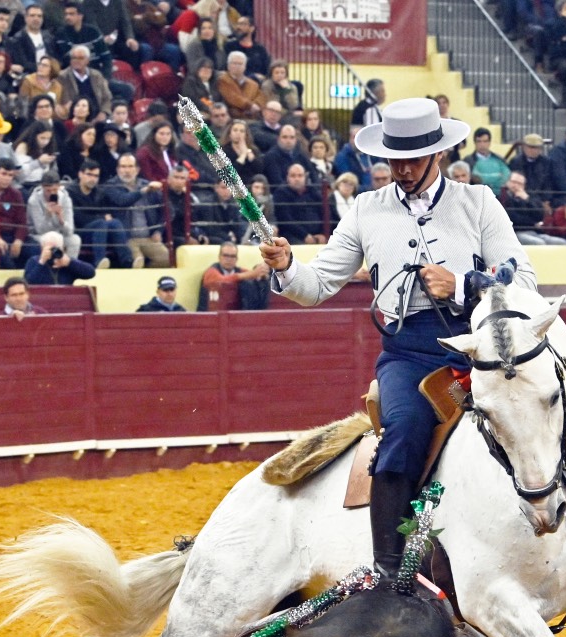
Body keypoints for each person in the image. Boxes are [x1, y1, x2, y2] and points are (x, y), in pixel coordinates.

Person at [258, 97, 537, 583]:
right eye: (393, 160)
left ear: (439, 155)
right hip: (409, 352)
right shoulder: (367, 209)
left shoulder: (478, 202)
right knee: (405, 428)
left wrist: (465, 282)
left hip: (479, 345)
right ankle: (389, 576)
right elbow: (317, 285)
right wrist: (285, 268)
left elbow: (526, 282)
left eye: (411, 160)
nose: (401, 171)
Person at [104, 151, 167, 267]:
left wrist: (159, 230)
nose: (127, 170)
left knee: (166, 258)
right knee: (137, 261)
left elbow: (168, 210)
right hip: (126, 238)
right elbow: (123, 201)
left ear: (137, 169)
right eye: (123, 167)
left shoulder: (147, 185)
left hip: (148, 237)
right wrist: (143, 191)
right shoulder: (110, 186)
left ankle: (148, 281)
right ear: (117, 169)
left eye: (130, 166)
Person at [68, 157, 131, 267]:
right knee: (101, 223)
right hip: (79, 232)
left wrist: (101, 217)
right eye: (89, 174)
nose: (93, 179)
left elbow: (107, 213)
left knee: (115, 223)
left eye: (96, 176)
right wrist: (100, 218)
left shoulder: (99, 193)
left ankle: (127, 261)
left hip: (100, 231)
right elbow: (77, 217)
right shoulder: (71, 192)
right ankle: (100, 261)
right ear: (80, 174)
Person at [497, 170, 566, 243]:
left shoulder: (529, 196)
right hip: (514, 233)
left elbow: (540, 215)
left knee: (561, 242)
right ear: (507, 182)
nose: (516, 185)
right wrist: (532, 222)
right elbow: (512, 217)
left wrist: (527, 199)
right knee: (539, 243)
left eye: (520, 184)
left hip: (533, 231)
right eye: (514, 182)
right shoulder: (502, 197)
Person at [199, 240, 270, 310]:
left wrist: (260, 274)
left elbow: (251, 275)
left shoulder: (240, 271)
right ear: (219, 257)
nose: (229, 259)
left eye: (232, 256)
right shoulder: (211, 271)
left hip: (235, 315)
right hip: (207, 316)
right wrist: (251, 274)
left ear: (236, 259)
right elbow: (222, 281)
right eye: (225, 255)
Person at [272, 162, 330, 244]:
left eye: (300, 175)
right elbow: (285, 219)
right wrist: (305, 236)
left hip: (317, 235)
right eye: (293, 176)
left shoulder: (313, 191)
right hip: (293, 235)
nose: (297, 179)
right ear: (287, 177)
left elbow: (325, 213)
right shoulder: (281, 193)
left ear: (305, 177)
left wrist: (322, 234)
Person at [27, 169, 80, 258]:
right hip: (38, 236)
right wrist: (47, 216)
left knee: (75, 240)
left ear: (59, 186)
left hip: (60, 233)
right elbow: (40, 230)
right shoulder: (34, 200)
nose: (51, 193)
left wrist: (61, 220)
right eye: (48, 190)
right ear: (42, 187)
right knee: (53, 239)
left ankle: (69, 267)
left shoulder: (66, 199)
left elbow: (70, 231)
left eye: (55, 190)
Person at [24, 228, 96, 282]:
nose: (53, 252)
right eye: (50, 248)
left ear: (62, 248)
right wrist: (41, 262)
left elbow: (91, 273)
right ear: (42, 248)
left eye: (57, 248)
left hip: (66, 299)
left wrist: (70, 263)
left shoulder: (66, 262)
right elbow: (28, 282)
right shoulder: (34, 261)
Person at [216, 50, 264, 120]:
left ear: (245, 66)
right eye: (234, 63)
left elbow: (261, 97)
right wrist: (250, 106)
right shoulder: (223, 80)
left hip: (251, 117)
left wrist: (256, 105)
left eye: (240, 64)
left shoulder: (253, 84)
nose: (237, 66)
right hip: (232, 118)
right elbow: (232, 97)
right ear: (228, 65)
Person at [462, 127, 511, 194]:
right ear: (474, 143)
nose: (482, 145)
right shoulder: (468, 161)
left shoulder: (499, 159)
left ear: (489, 142)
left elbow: (506, 177)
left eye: (485, 141)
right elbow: (472, 180)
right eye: (479, 141)